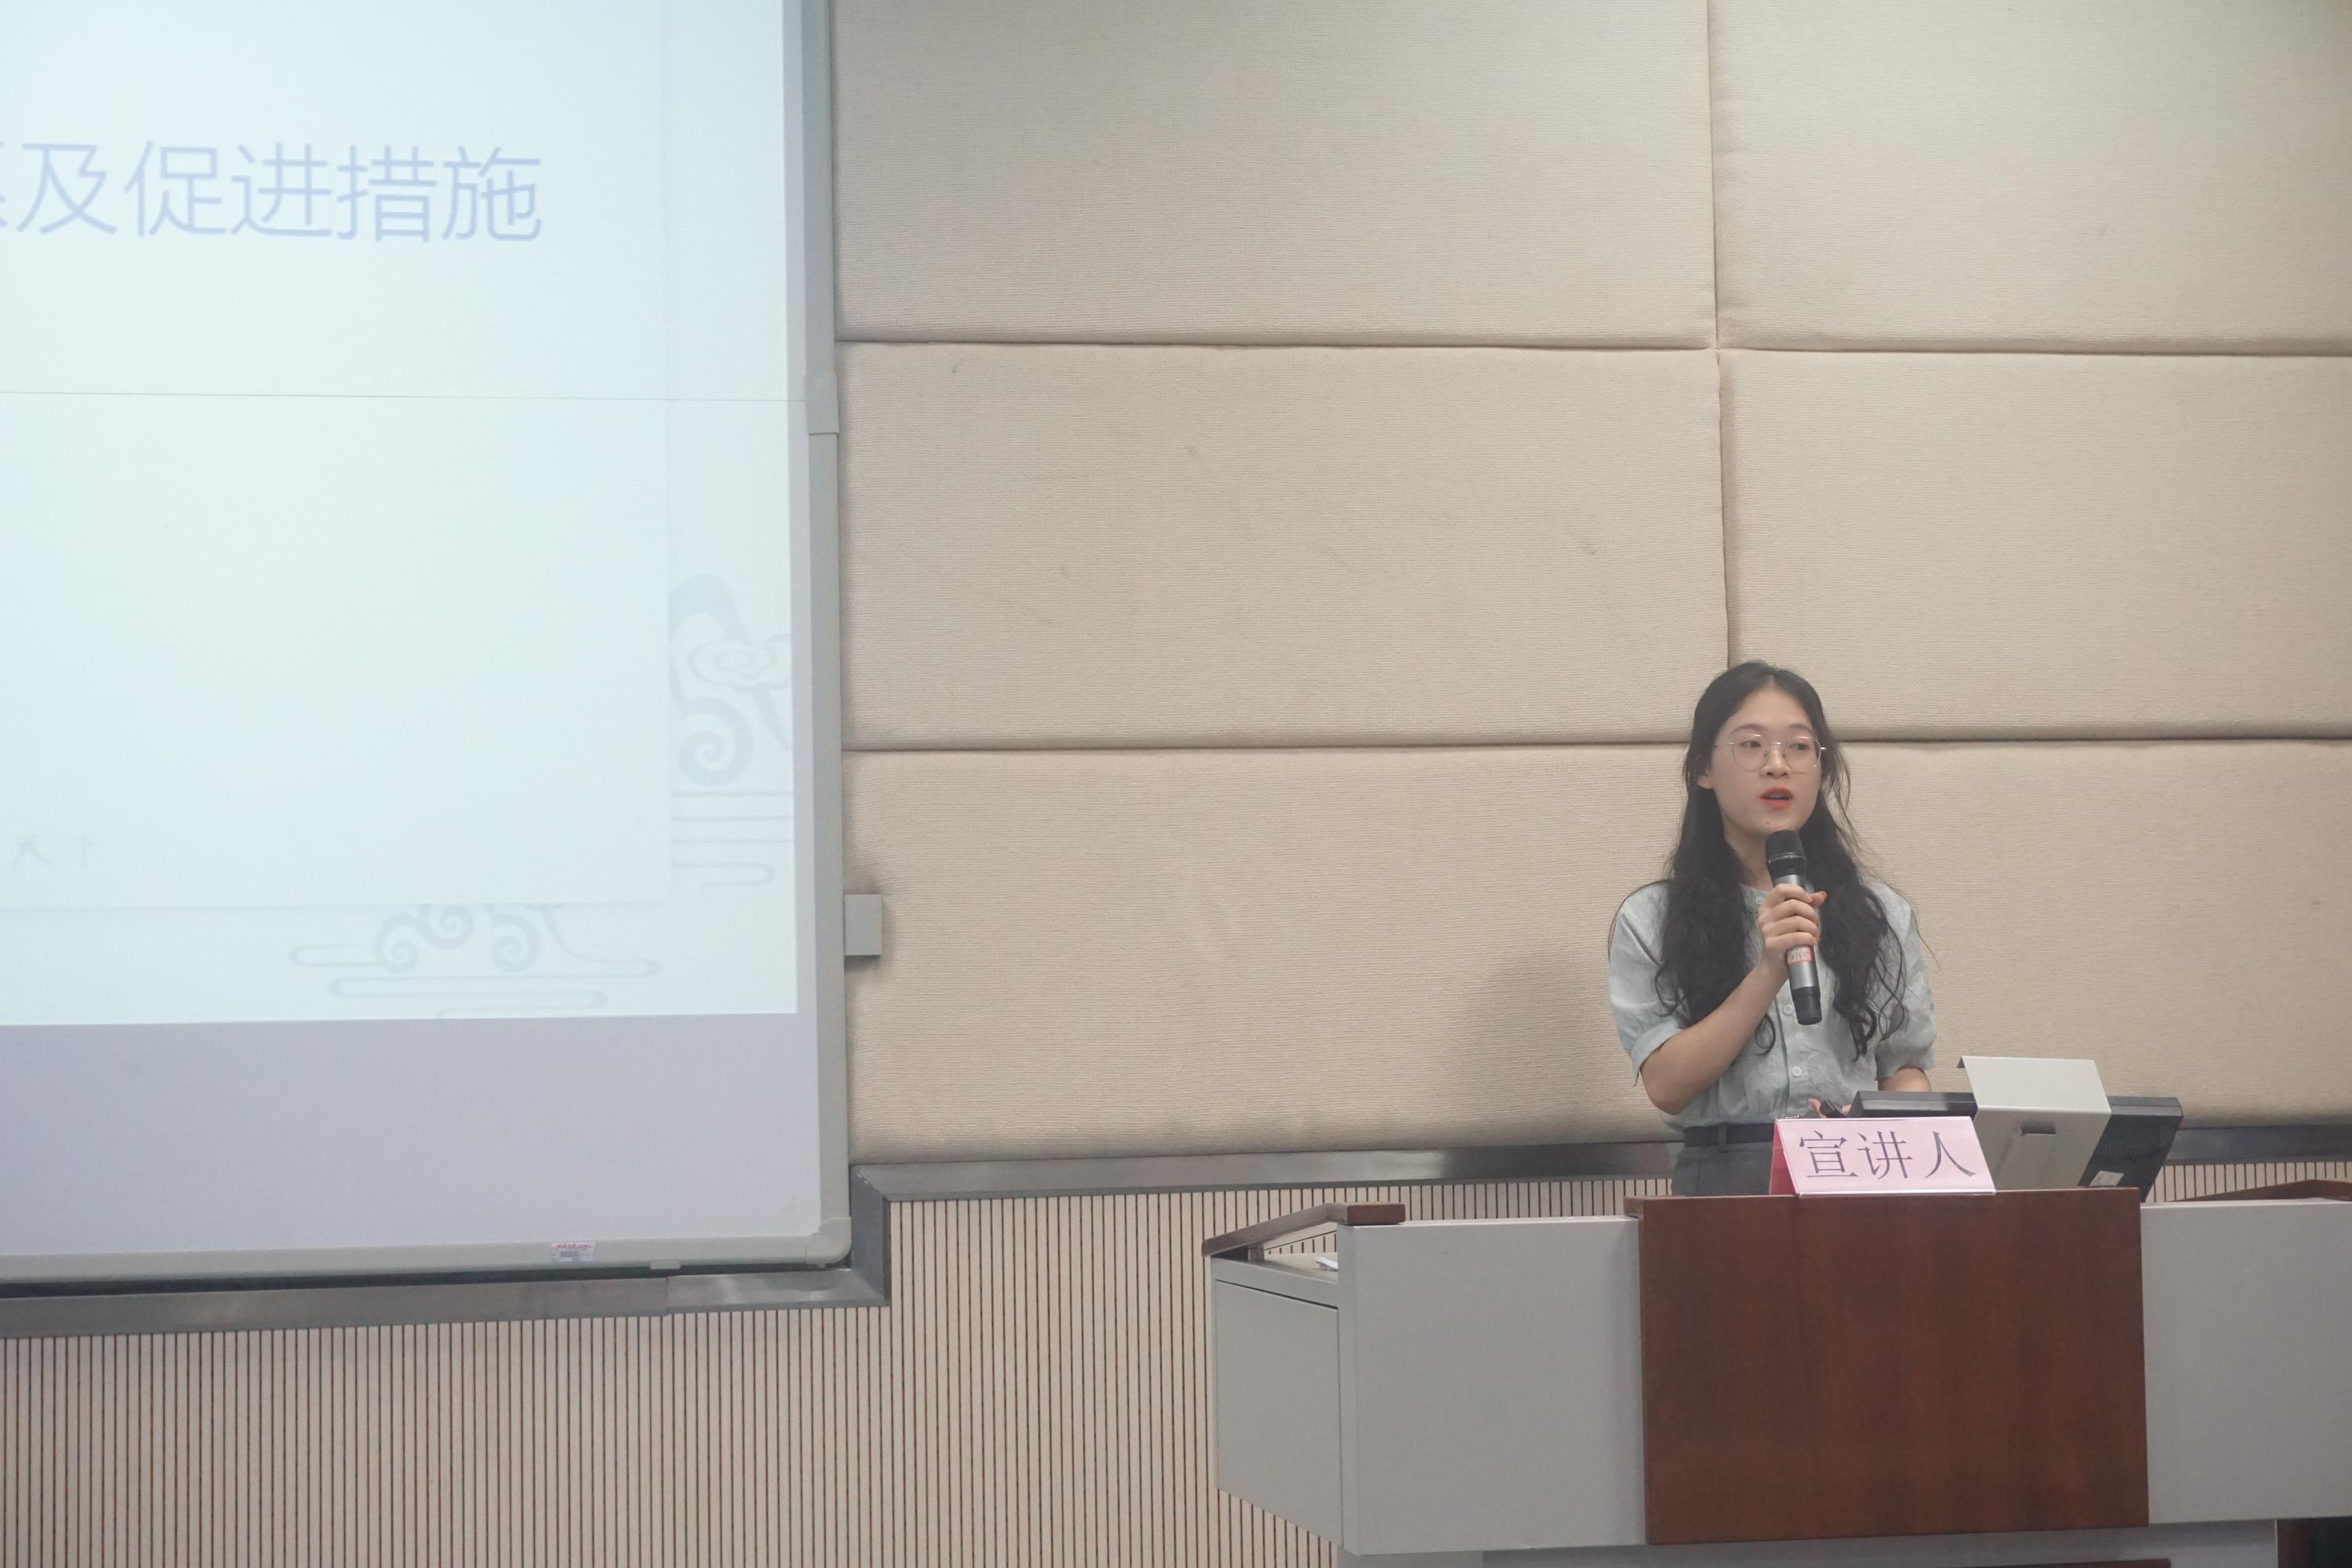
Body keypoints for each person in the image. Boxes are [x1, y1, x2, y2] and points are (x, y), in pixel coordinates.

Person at [1609, 662, 1937, 1195]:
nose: (1777, 765)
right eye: (1751, 745)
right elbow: (1666, 1086)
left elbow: (1904, 1068)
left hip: (1855, 1170)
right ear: (1704, 768)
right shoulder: (1652, 918)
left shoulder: (1879, 913)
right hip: (1726, 1174)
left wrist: (1888, 1128)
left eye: (1800, 747)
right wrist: (1768, 970)